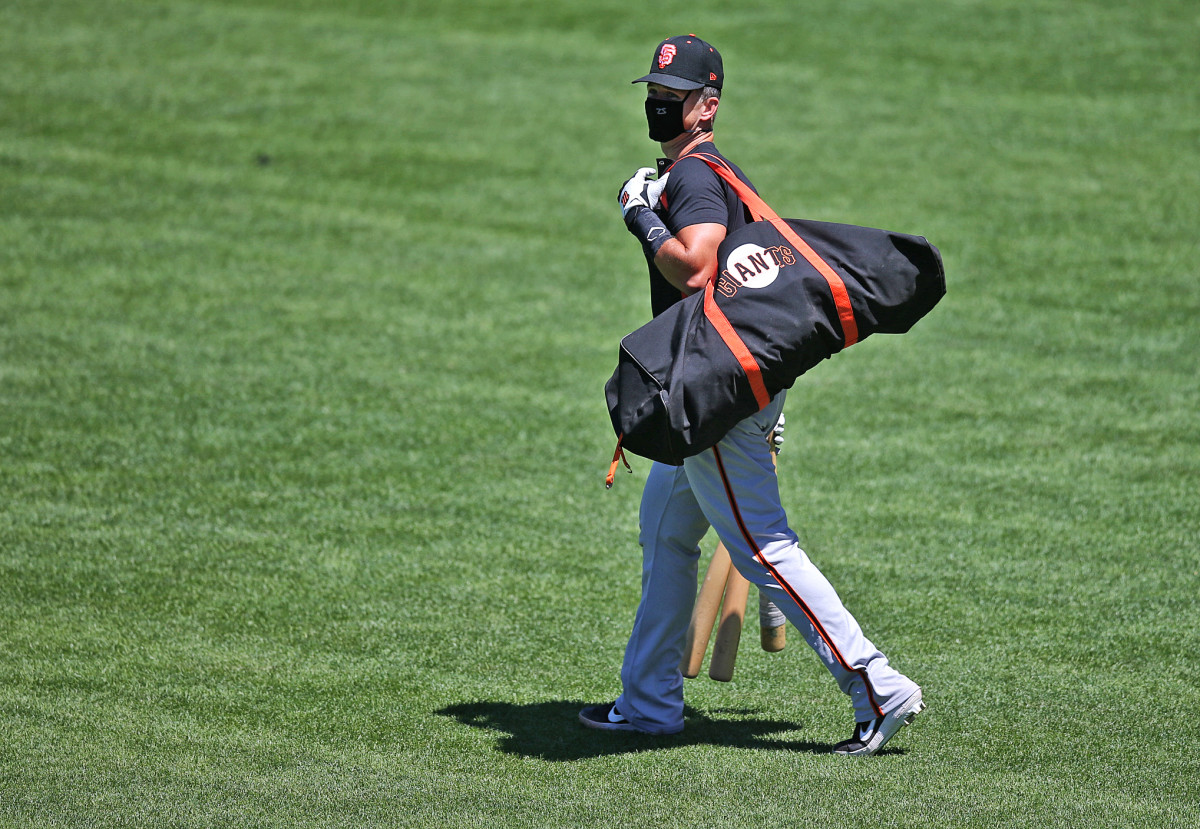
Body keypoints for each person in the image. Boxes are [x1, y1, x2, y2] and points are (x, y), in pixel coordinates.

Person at [579, 35, 925, 757]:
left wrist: (640, 213)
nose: (658, 103)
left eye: (673, 95)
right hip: (722, 384)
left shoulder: (696, 177)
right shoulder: (712, 171)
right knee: (667, 533)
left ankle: (878, 687)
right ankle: (648, 704)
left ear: (707, 106)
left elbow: (699, 269)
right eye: (654, 91)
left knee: (764, 547)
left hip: (716, 398)